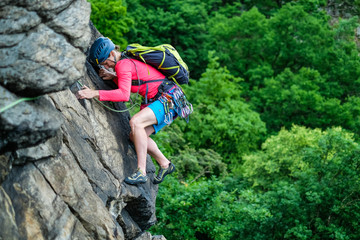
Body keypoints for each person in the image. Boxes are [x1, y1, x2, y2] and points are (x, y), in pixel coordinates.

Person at [77, 37, 177, 185]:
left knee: (136, 123)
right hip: (169, 100)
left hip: (167, 98)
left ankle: (141, 172)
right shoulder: (125, 62)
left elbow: (124, 95)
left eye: (106, 62)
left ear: (112, 53)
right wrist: (113, 76)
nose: (106, 66)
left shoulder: (123, 64)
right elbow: (134, 82)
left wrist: (94, 93)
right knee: (134, 135)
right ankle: (165, 164)